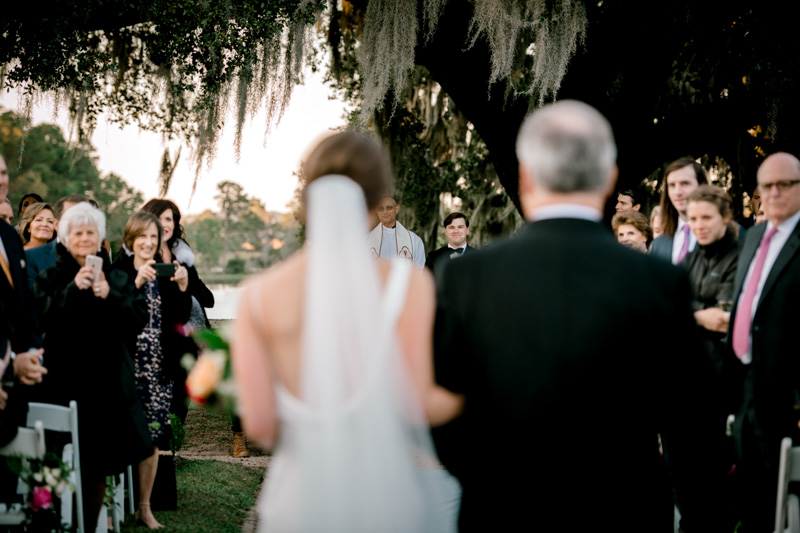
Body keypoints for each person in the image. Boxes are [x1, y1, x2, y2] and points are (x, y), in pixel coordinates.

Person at [432, 100, 725, 532]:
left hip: (504, 508)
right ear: (609, 178)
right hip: (626, 510)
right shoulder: (660, 281)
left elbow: (443, 410)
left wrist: (492, 479)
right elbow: (691, 420)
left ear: (525, 178)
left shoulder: (466, 277)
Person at [231, 131, 461, 532]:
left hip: (297, 504)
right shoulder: (408, 284)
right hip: (385, 499)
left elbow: (261, 425)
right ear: (374, 204)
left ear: (307, 199)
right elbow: (417, 406)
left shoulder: (257, 295)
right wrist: (475, 390)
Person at [33, 202, 152, 531]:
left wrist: (109, 294)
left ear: (100, 238)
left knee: (96, 466)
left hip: (106, 386)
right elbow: (42, 317)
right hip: (61, 383)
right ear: (65, 237)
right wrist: (74, 289)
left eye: (91, 232)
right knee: (53, 462)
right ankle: (50, 523)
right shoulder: (50, 277)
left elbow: (136, 321)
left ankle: (88, 526)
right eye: (78, 233)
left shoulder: (116, 276)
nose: (85, 238)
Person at [727, 152, 800, 532]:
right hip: (746, 386)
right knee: (751, 499)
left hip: (788, 396)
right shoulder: (753, 236)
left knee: (785, 504)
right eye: (766, 186)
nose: (773, 193)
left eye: (784, 184)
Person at [113, 211, 191, 529]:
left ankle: (144, 507)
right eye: (141, 236)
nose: (147, 242)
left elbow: (179, 320)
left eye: (153, 237)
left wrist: (183, 288)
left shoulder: (164, 273)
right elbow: (113, 316)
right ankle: (113, 505)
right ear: (130, 239)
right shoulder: (117, 272)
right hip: (125, 366)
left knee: (153, 437)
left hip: (157, 368)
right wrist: (135, 282)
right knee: (119, 434)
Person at [139, 198, 216, 434]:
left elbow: (205, 298)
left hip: (182, 337)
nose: (164, 224)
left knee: (180, 399)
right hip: (151, 338)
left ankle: (171, 439)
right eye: (159, 218)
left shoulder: (183, 257)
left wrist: (186, 281)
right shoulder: (137, 254)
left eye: (169, 219)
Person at [25, 194, 92, 290]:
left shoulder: (98, 254)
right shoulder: (29, 257)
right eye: (72, 219)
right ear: (56, 224)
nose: (79, 224)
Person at [650, 157, 709, 264]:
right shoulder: (658, 244)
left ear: (701, 186)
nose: (677, 192)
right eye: (672, 185)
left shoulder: (725, 236)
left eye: (685, 183)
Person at [368, 196, 426, 268]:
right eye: (381, 209)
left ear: (396, 209)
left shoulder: (414, 240)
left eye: (389, 208)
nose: (385, 212)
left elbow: (419, 269)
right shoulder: (365, 240)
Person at [425, 212, 476, 278]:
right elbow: (426, 283)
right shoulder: (433, 258)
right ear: (446, 231)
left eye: (460, 227)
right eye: (451, 227)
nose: (456, 231)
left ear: (467, 230)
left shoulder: (478, 258)